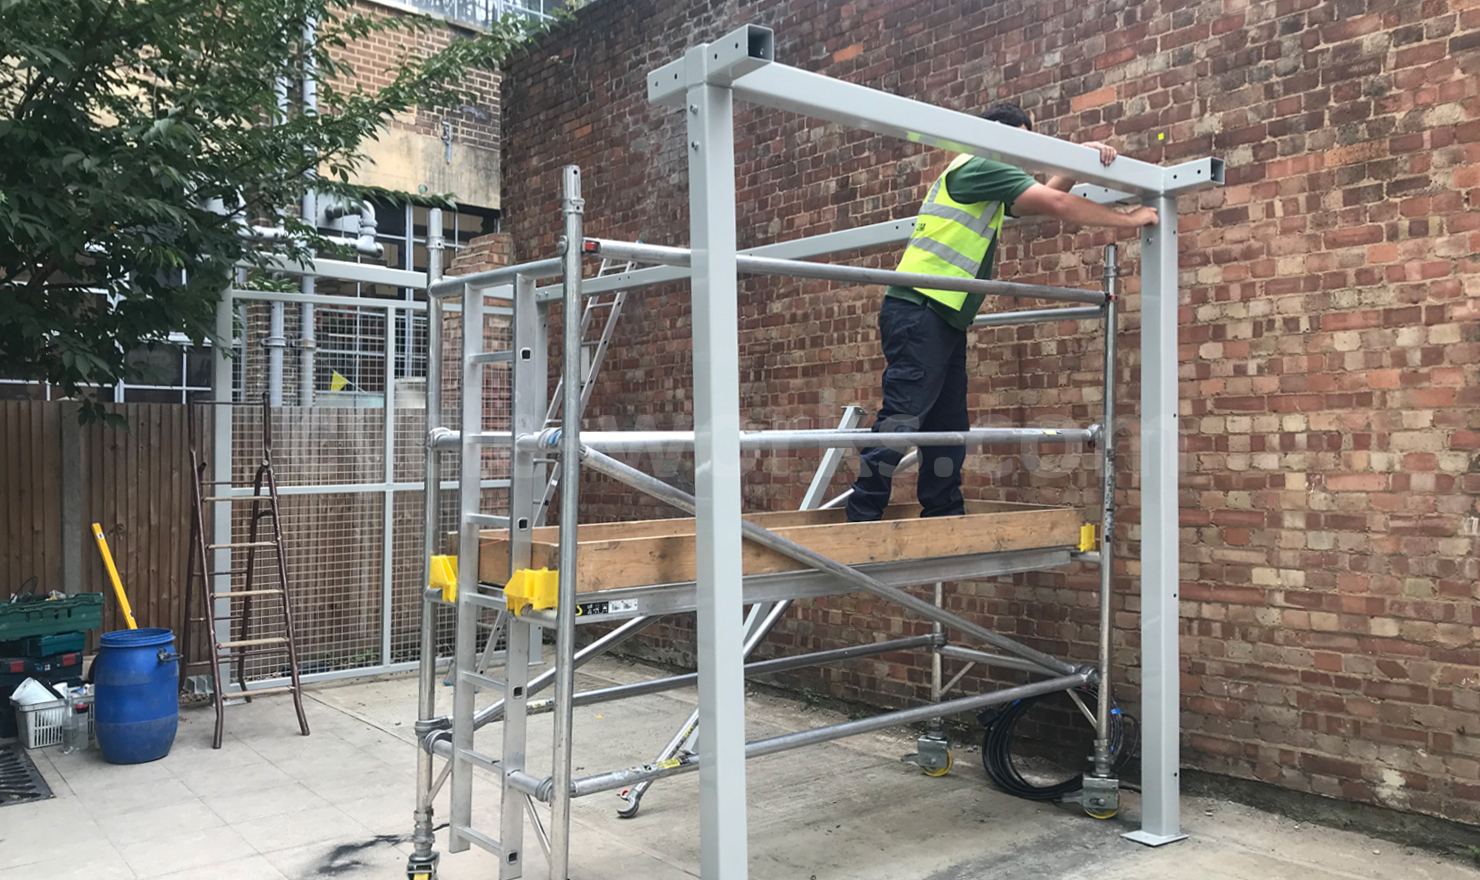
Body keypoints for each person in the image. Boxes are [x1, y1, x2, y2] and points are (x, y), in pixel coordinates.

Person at [845, 102, 1160, 523]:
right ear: (997, 131)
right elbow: (1057, 205)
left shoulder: (982, 176)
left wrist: (1075, 164)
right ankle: (863, 513)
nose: (1022, 151)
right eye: (1022, 138)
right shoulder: (980, 165)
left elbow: (1037, 200)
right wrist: (1130, 219)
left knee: (948, 426)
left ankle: (943, 513)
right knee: (904, 416)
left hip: (942, 314)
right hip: (921, 308)